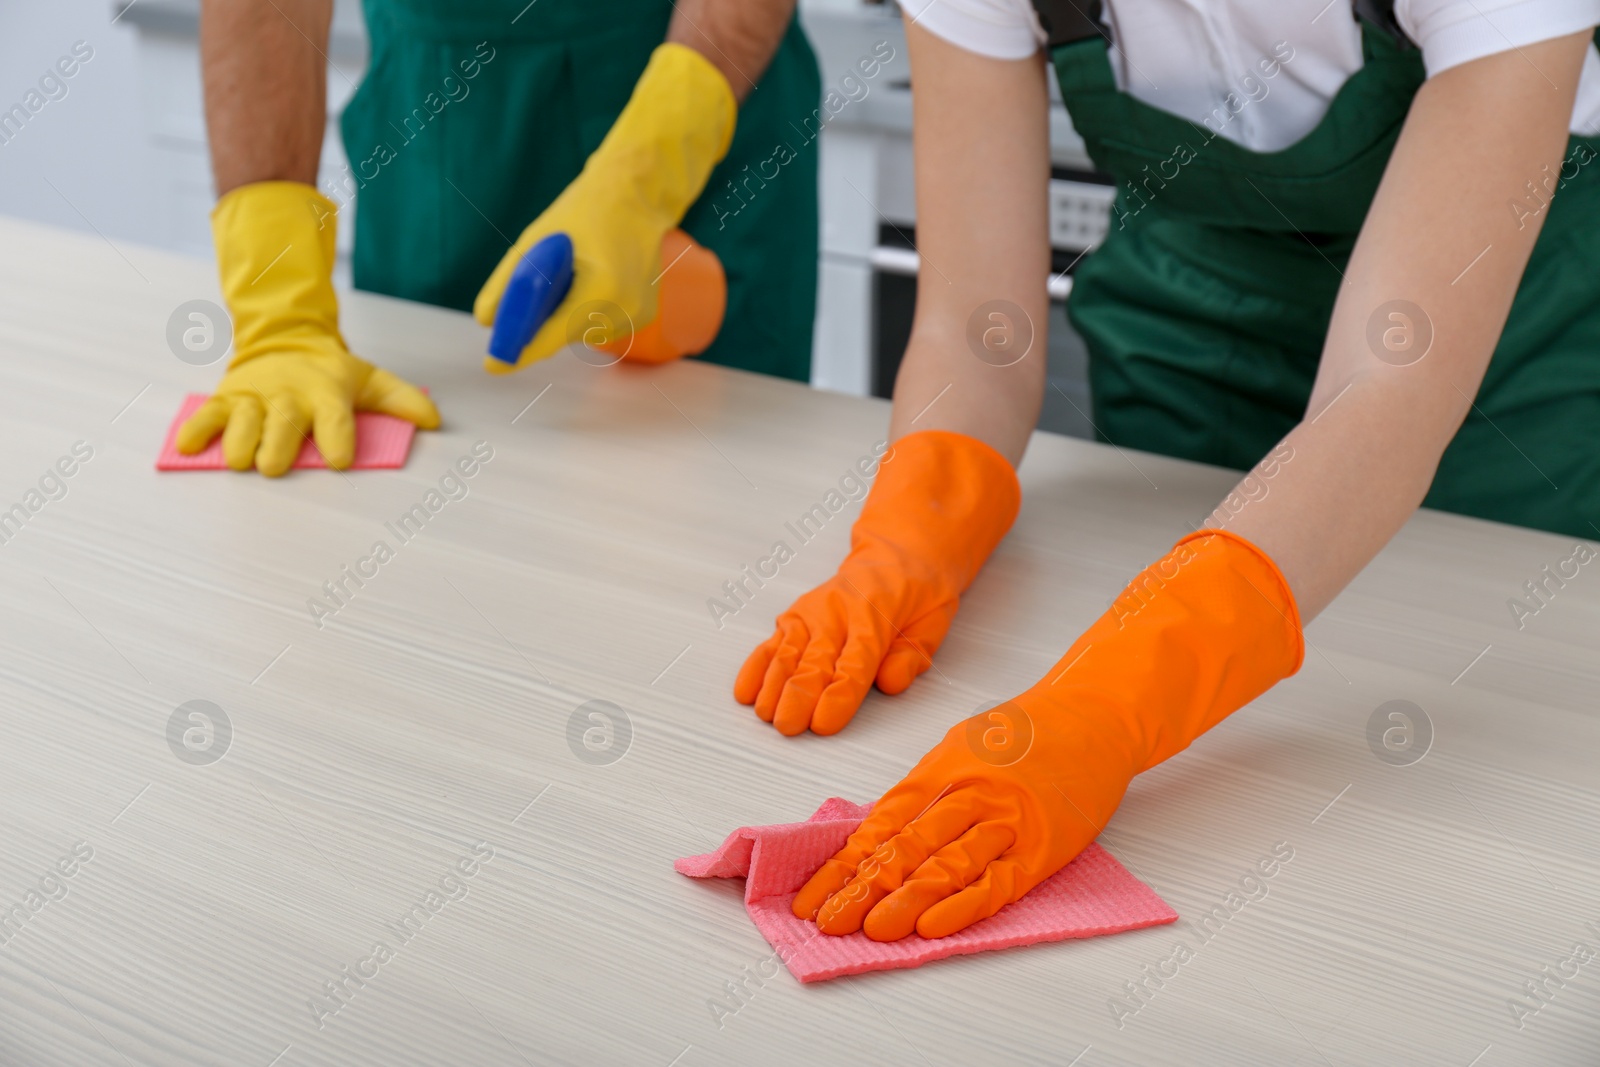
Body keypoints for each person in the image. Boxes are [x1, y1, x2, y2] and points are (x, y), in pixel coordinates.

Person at [737, 0, 1600, 943]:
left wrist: (1102, 709)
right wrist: (910, 532)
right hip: (1198, 312)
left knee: (1440, 816)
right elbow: (976, 332)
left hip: (1502, 338)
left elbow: (1385, 393)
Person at [177, 0, 819, 475]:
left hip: (702, 82)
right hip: (441, 126)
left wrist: (643, 179)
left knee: (709, 487)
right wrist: (278, 316)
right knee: (437, 497)